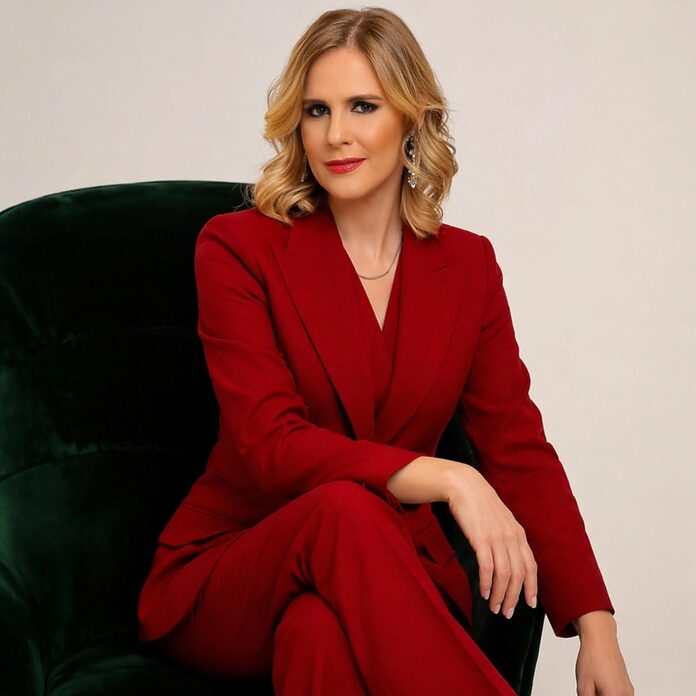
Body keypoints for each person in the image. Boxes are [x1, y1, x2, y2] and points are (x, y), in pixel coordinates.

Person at [137, 7, 634, 695]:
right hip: (232, 571)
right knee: (344, 508)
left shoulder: (468, 267)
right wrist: (452, 478)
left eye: (363, 106)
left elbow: (518, 447)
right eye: (317, 110)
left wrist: (597, 627)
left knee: (318, 635)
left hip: (390, 575)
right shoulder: (238, 248)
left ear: (412, 116)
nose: (335, 134)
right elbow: (271, 444)